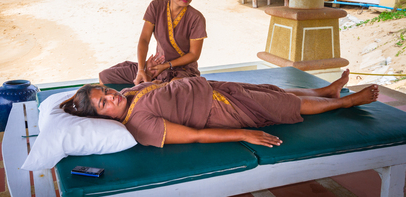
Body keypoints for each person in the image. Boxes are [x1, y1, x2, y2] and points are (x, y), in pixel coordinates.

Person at [61, 69, 379, 148]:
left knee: (272, 89)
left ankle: (325, 90)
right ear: (101, 119)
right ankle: (348, 100)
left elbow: (155, 86)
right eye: (104, 103)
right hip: (223, 110)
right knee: (286, 104)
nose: (111, 97)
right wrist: (242, 133)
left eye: (105, 92)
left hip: (216, 87)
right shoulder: (140, 126)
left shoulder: (128, 95)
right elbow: (194, 136)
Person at [99, 0, 207, 85]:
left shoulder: (196, 18)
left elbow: (193, 55)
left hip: (183, 70)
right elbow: (144, 40)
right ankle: (151, 86)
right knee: (106, 76)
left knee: (174, 85)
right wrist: (141, 70)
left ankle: (153, 88)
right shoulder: (156, 7)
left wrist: (167, 65)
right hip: (156, 66)